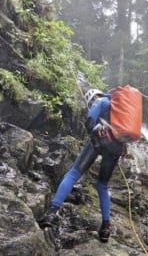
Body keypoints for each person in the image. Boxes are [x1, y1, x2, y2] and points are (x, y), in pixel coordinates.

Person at [38, 88, 125, 243]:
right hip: (115, 148)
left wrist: (94, 132)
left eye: (90, 101)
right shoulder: (117, 107)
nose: (90, 104)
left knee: (73, 174)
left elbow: (90, 121)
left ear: (93, 97)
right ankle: (105, 228)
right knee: (103, 186)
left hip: (99, 141)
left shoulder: (100, 101)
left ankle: (51, 213)